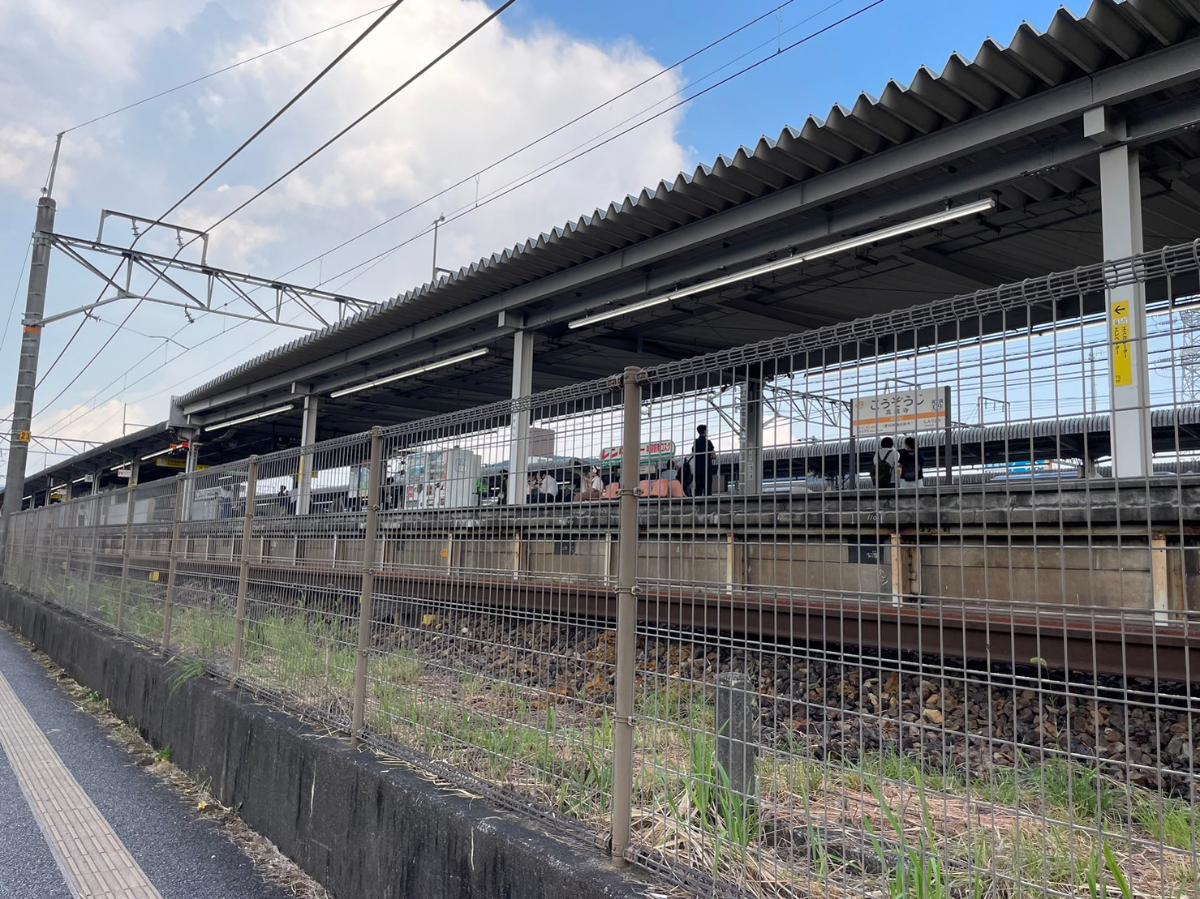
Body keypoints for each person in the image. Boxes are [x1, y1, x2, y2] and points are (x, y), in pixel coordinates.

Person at [692, 425, 715, 497]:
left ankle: (697, 505)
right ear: (704, 431)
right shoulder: (708, 442)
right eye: (707, 430)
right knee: (707, 488)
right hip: (707, 468)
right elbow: (713, 455)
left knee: (698, 488)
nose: (707, 431)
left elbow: (693, 452)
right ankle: (707, 505)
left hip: (698, 468)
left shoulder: (695, 442)